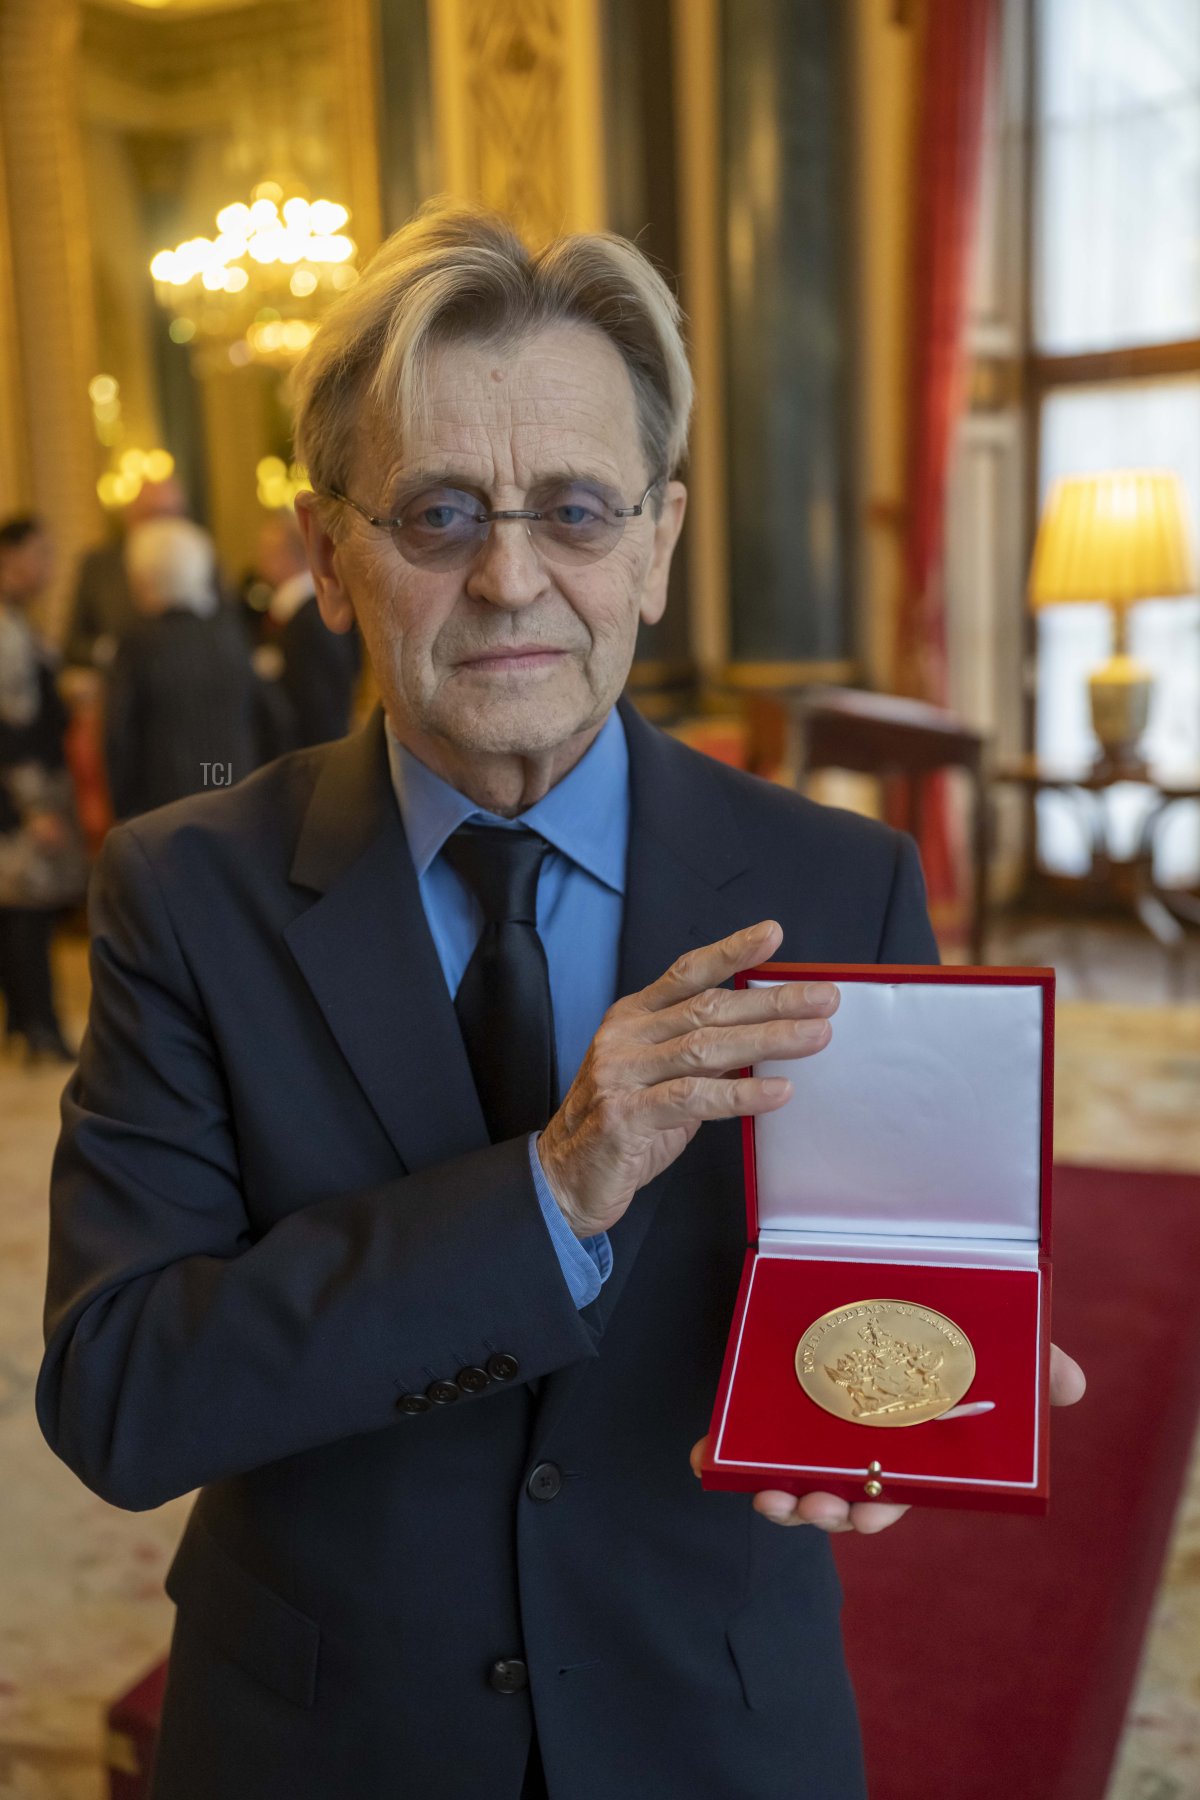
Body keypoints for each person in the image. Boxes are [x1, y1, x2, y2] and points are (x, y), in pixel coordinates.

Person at [38, 204, 1084, 1800]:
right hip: (322, 1739)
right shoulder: (185, 896)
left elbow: (878, 1290)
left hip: (715, 1724)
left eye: (575, 511)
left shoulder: (837, 884)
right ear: (330, 557)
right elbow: (121, 1395)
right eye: (440, 513)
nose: (512, 577)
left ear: (657, 546)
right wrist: (544, 1190)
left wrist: (917, 1401)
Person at [103, 517, 271, 819]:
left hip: (166, 810)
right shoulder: (229, 632)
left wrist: (124, 810)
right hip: (237, 798)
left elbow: (119, 737)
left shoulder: (138, 643)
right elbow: (270, 714)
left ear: (143, 578)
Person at [0, 516, 86, 1062]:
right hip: (21, 793)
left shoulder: (19, 621)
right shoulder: (6, 630)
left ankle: (26, 1023)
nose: (49, 569)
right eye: (41, 556)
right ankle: (40, 1028)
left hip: (22, 791)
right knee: (27, 909)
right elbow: (12, 731)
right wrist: (31, 807)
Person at [258, 508, 361, 746]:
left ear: (283, 555)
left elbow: (322, 708)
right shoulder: (299, 611)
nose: (260, 560)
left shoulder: (310, 619)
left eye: (267, 551)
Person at [63, 476, 188, 671]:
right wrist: (113, 651)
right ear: (130, 517)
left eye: (169, 515)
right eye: (152, 514)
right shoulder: (99, 566)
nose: (160, 525)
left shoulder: (200, 562)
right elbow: (74, 644)